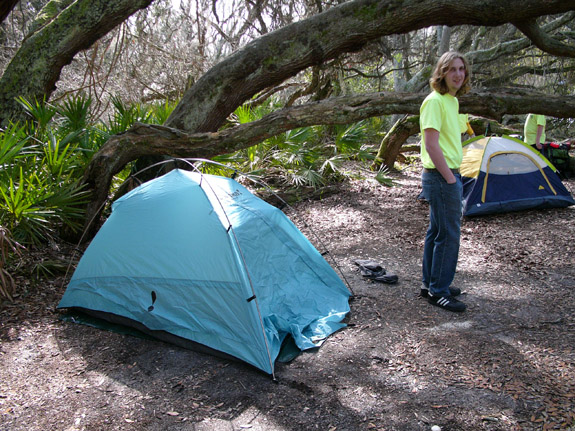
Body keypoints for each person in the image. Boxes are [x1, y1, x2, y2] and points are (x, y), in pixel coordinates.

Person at [419, 51, 471, 312]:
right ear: (442, 72)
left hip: (448, 174)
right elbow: (431, 145)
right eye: (452, 69)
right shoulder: (434, 102)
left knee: (437, 231)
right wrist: (451, 179)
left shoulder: (452, 101)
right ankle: (438, 291)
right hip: (441, 176)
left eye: (461, 69)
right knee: (449, 235)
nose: (458, 74)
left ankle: (430, 283)